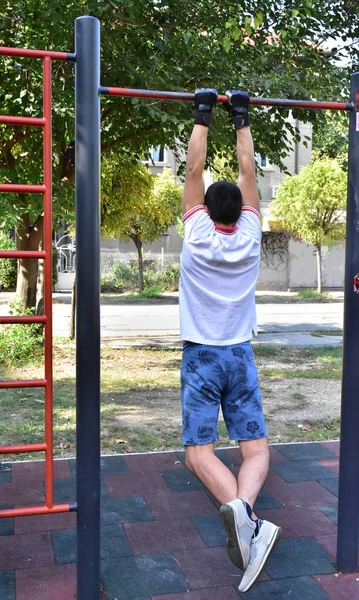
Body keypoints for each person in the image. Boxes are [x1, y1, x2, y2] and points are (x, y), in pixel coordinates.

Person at [179, 88, 281, 593]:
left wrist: (203, 114)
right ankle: (250, 525)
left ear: (204, 209)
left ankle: (246, 522)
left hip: (201, 356)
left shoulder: (196, 234)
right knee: (256, 452)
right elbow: (248, 172)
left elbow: (192, 172)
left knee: (199, 454)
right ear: (242, 212)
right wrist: (240, 117)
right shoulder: (251, 234)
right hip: (239, 353)